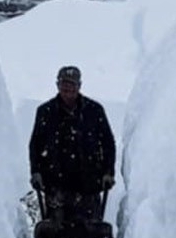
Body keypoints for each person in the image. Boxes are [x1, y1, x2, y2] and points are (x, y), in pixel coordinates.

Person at [29, 65, 115, 224]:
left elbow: (108, 144)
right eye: (64, 84)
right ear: (57, 85)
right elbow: (35, 145)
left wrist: (108, 172)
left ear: (79, 86)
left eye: (72, 84)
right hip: (55, 184)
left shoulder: (94, 111)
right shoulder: (45, 112)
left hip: (88, 184)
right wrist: (36, 172)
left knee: (90, 231)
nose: (67, 89)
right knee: (55, 232)